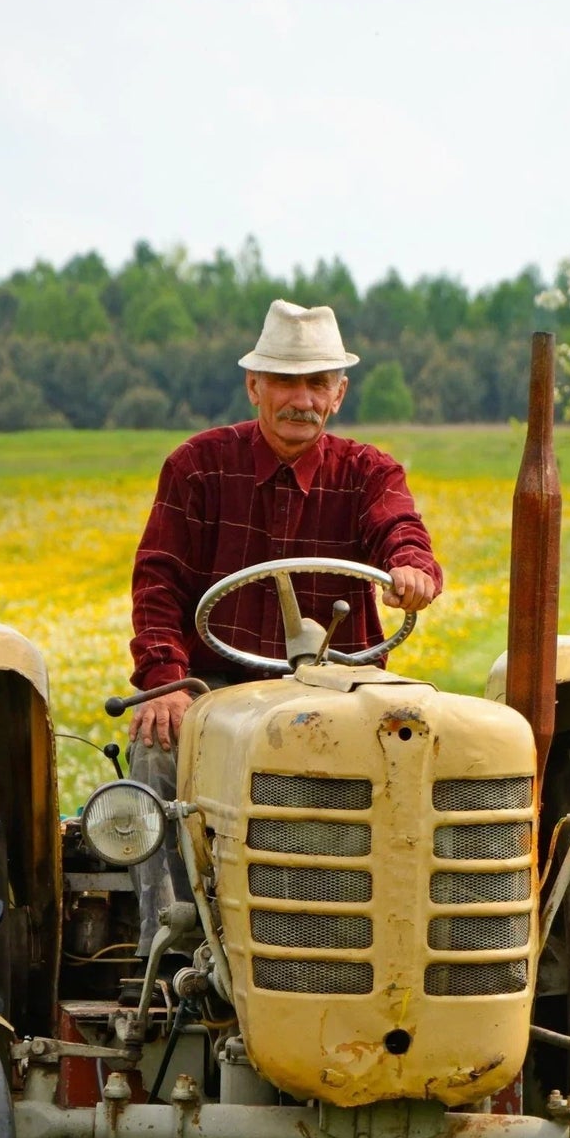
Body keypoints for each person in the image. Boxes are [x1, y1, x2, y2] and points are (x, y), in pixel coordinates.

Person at [124, 299, 443, 953]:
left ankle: (389, 941)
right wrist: (164, 679)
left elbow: (399, 529)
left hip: (340, 683)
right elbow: (159, 577)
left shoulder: (368, 472)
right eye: (286, 381)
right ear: (255, 387)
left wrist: (410, 565)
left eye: (317, 382)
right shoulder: (199, 467)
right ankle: (176, 942)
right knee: (158, 745)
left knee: (420, 748)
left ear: (339, 393)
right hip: (218, 681)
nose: (302, 397)